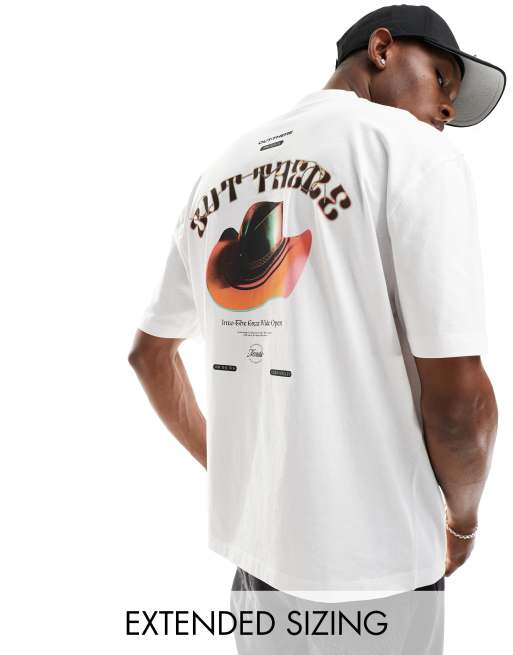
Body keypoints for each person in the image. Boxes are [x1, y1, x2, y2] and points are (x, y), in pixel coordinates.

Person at [128, 4, 502, 604]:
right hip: (380, 573)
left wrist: (239, 477)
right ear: (382, 50)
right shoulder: (411, 152)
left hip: (256, 570)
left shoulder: (220, 171)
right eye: (441, 79)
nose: (447, 110)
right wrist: (463, 522)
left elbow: (149, 356)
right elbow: (461, 404)